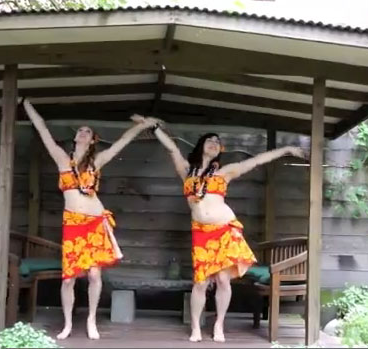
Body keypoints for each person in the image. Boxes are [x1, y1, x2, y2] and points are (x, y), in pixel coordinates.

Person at [153, 125, 305, 342]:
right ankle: (196, 327)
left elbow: (256, 161)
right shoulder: (187, 171)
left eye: (217, 142)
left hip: (224, 229)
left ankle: (219, 325)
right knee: (200, 282)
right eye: (210, 140)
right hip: (201, 232)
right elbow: (172, 149)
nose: (214, 143)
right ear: (201, 146)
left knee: (224, 280)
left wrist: (286, 149)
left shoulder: (224, 172)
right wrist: (154, 127)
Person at [21, 99, 157, 340]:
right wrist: (26, 105)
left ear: (93, 139)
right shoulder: (62, 159)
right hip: (73, 223)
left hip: (94, 222)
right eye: (80, 130)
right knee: (69, 278)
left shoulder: (97, 161)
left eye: (88, 131)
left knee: (94, 275)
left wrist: (139, 127)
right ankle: (67, 324)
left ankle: (91, 319)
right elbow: (42, 130)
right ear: (76, 138)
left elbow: (122, 142)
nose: (83, 133)